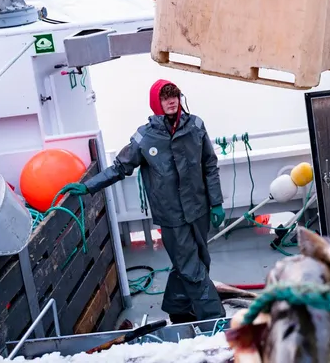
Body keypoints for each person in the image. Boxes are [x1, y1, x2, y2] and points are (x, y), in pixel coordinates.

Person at [62, 79, 227, 323]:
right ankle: (216, 321)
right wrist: (88, 186)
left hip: (199, 209)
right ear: (156, 103)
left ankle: (178, 307)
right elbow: (119, 168)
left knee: (200, 260)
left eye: (174, 95)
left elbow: (209, 165)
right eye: (165, 97)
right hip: (172, 216)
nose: (171, 101)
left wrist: (216, 202)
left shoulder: (196, 126)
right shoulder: (145, 138)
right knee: (192, 269)